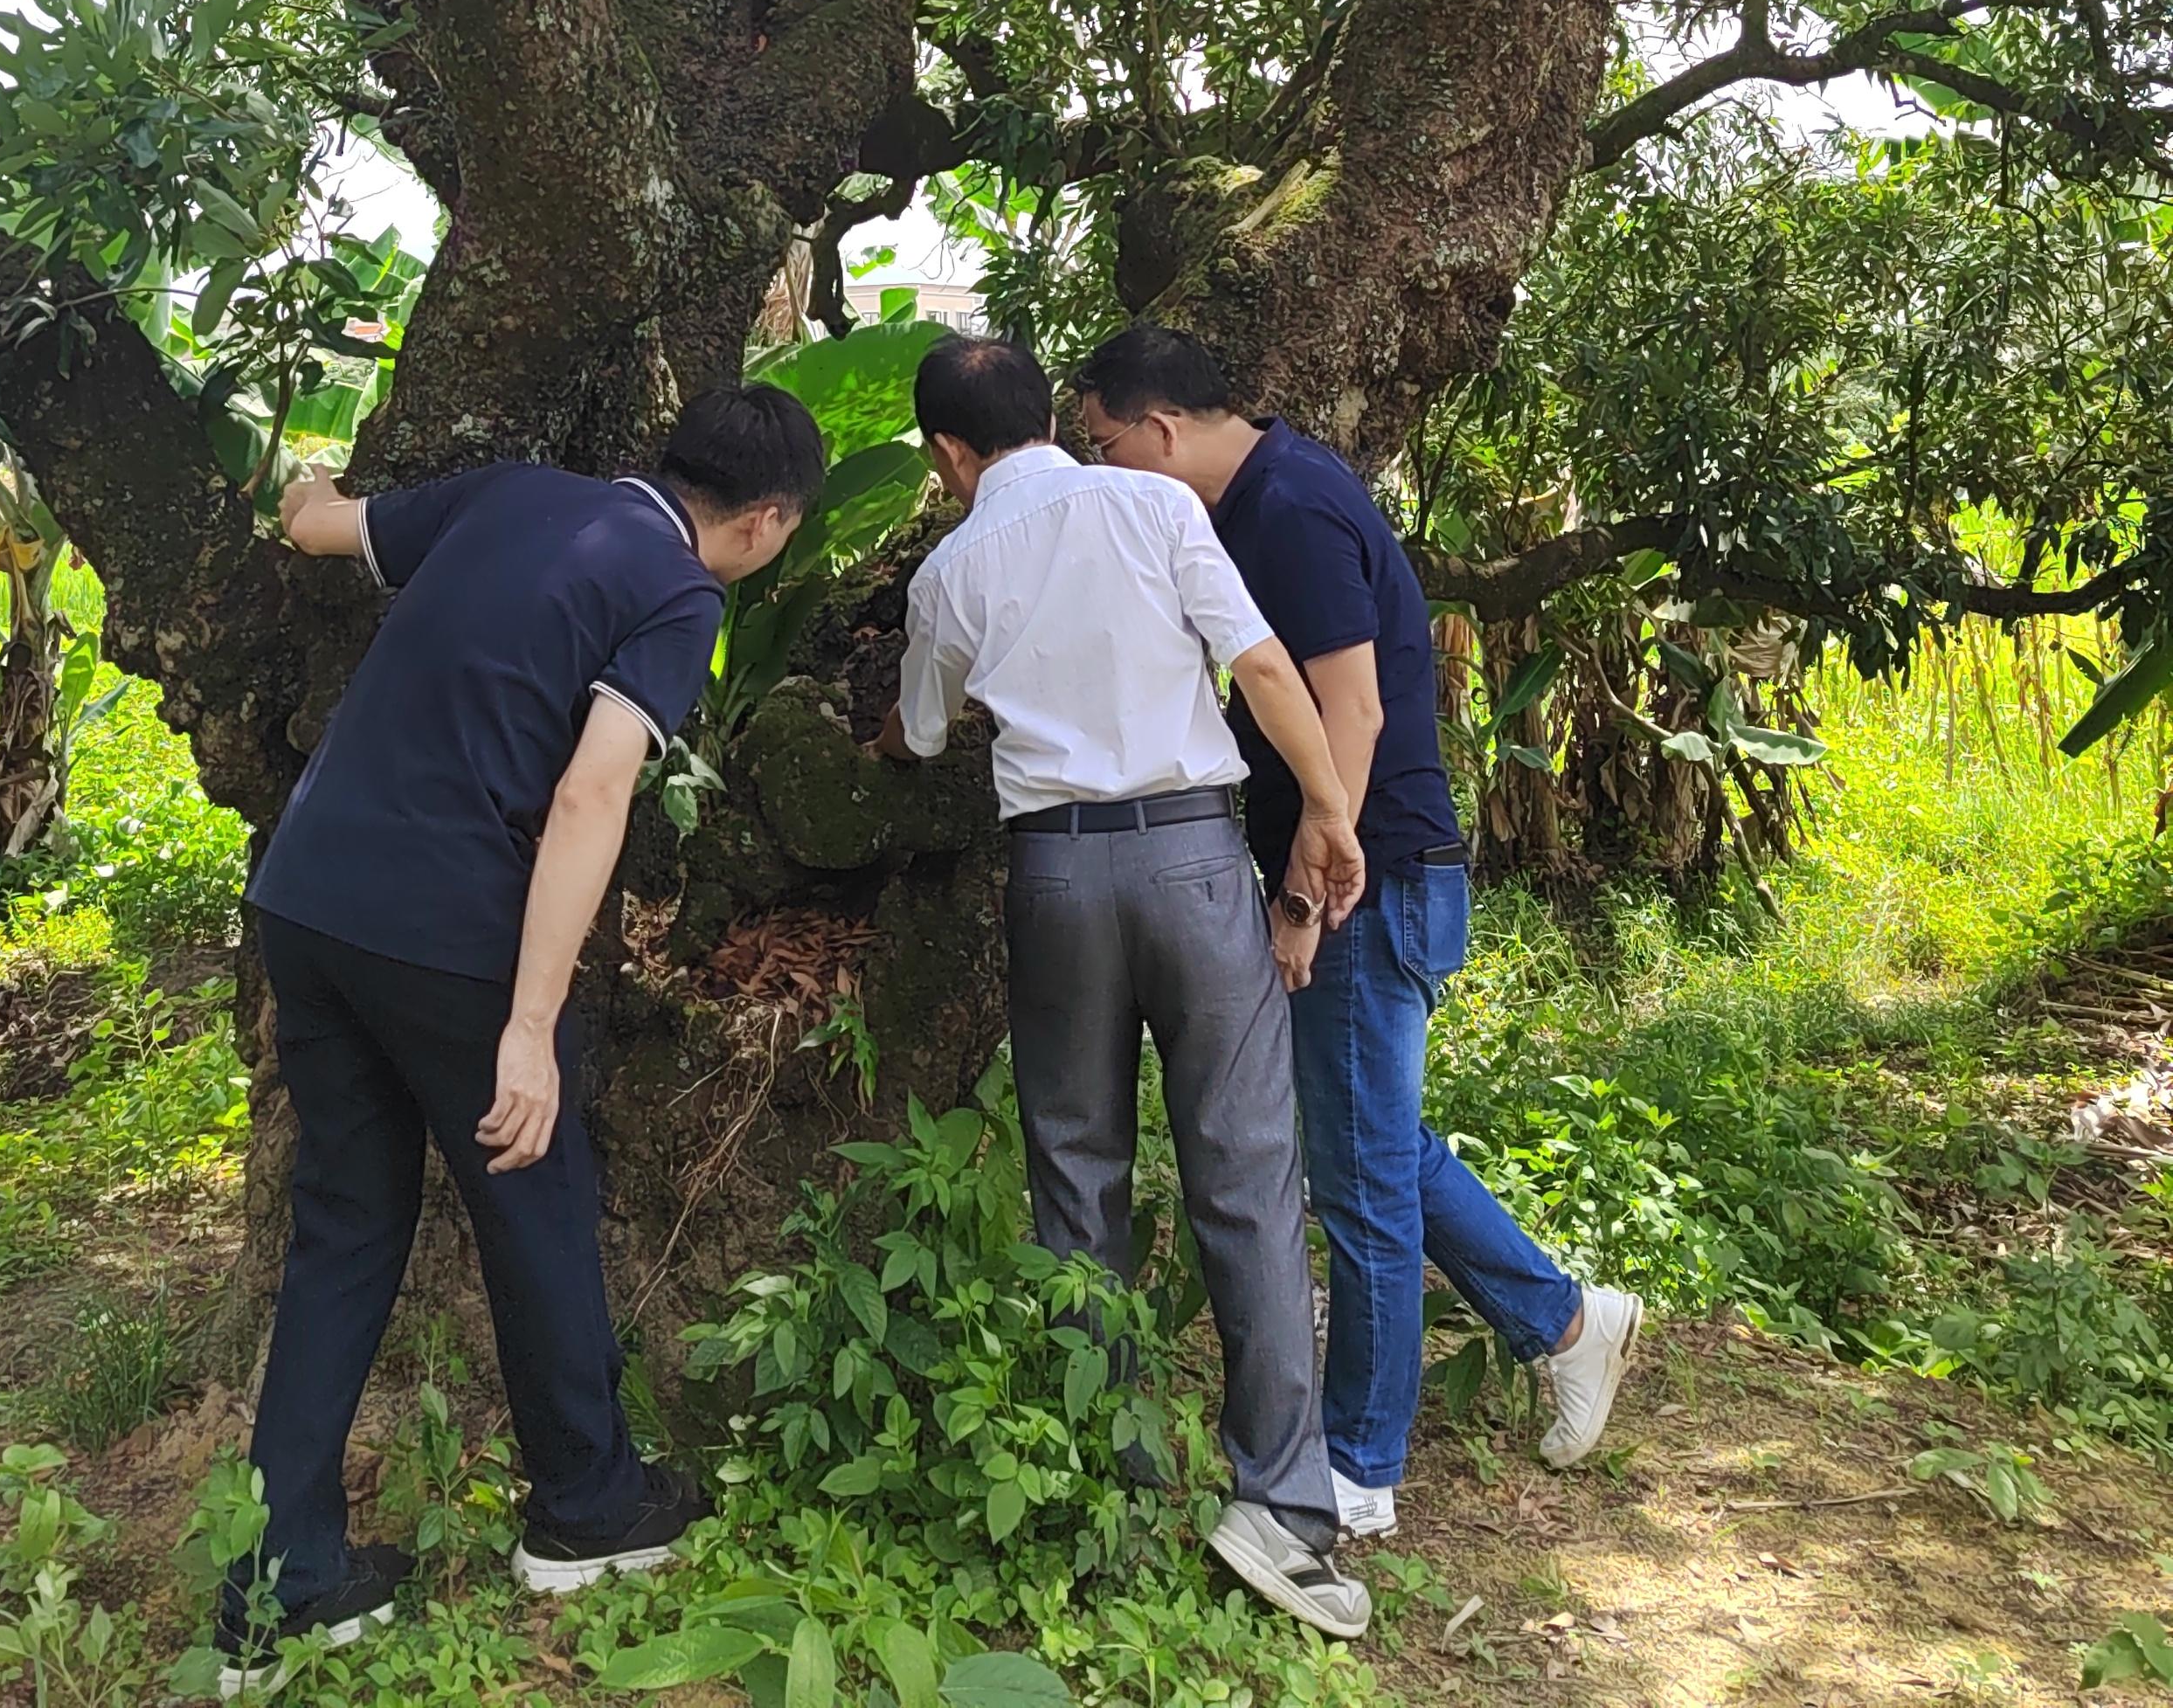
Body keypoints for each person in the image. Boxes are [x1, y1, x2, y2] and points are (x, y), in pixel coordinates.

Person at [221, 382, 827, 1693]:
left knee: (344, 1225)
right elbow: (594, 789)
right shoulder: (678, 593)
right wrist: (531, 1027)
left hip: (306, 897)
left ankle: (282, 1583)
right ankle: (586, 1509)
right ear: (768, 520)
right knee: (532, 1185)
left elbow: (328, 525)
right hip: (440, 930)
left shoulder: (511, 492)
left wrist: (304, 493)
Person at [1070, 325, 1643, 1543]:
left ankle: (1361, 1465)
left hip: (1368, 876)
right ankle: (1568, 1322)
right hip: (1372, 871)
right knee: (1375, 1143)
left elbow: (1357, 706)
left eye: (1103, 446)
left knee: (1363, 1178)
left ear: (1158, 430)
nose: (1101, 471)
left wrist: (1307, 890)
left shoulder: (1286, 508)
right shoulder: (1251, 501)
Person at [875, 333, 1377, 1641]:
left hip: (1053, 879)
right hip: (1201, 864)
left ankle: (1105, 1474)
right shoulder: (1159, 503)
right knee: (1248, 1176)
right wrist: (1326, 813)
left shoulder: (948, 568)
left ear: (946, 453)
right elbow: (1265, 669)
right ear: (1054, 415)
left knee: (1077, 1174)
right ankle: (1283, 1512)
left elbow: (921, 734)